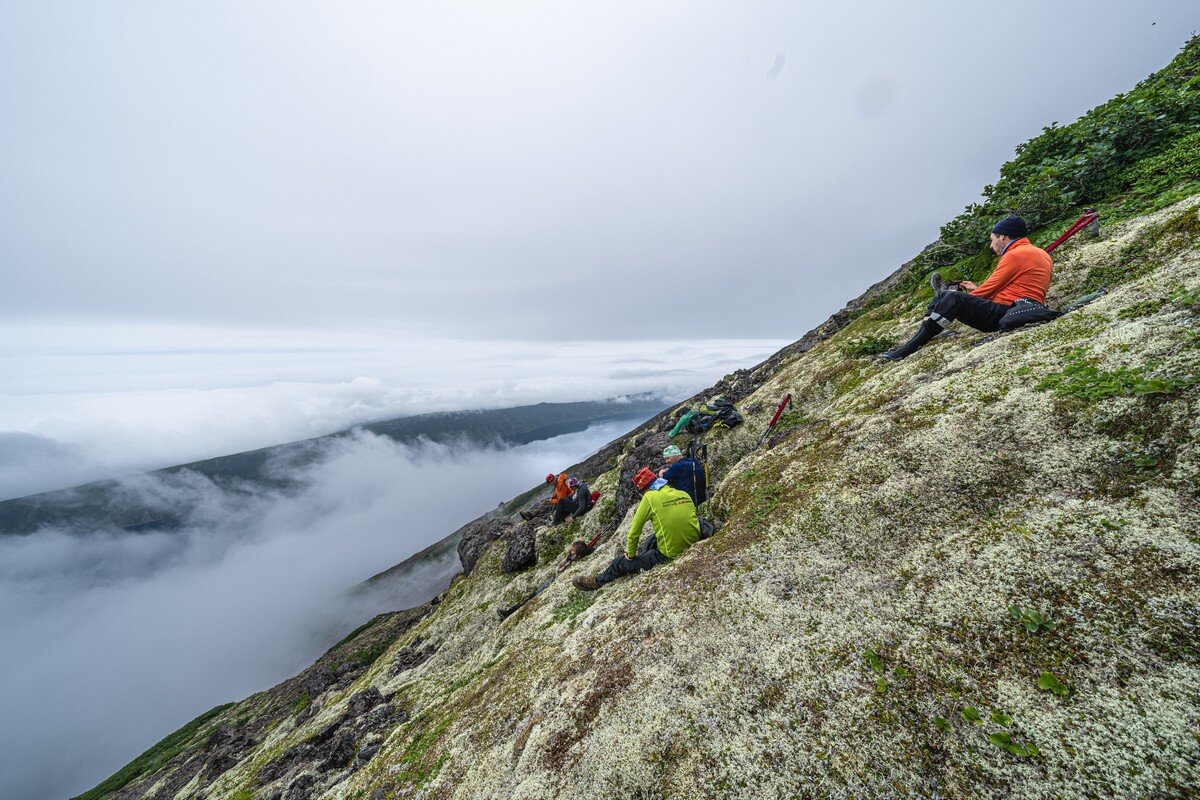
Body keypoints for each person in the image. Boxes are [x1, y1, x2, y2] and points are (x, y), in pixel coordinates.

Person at [879, 216, 1053, 360]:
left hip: (1005, 313)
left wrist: (963, 296)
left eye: (992, 240)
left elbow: (988, 291)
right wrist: (973, 292)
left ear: (1003, 237)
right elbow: (1016, 289)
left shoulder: (1014, 255)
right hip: (1020, 308)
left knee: (951, 298)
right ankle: (936, 311)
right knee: (947, 297)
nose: (991, 246)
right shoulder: (1040, 253)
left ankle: (909, 347)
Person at [572, 467, 701, 591]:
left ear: (644, 490)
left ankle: (597, 581)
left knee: (618, 563)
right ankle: (636, 556)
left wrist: (630, 556)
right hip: (693, 543)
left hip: (671, 554)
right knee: (652, 539)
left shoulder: (649, 497)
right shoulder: (682, 493)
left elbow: (634, 533)